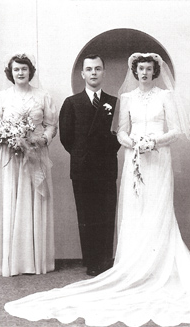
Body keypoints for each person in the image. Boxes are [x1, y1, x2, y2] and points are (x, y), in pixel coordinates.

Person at [5, 53, 190, 326]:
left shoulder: (166, 96)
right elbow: (120, 130)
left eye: (149, 69)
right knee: (137, 210)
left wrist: (154, 142)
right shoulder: (127, 97)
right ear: (134, 72)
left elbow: (177, 130)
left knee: (159, 210)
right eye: (140, 69)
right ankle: (134, 267)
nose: (144, 73)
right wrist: (134, 142)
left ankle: (162, 263)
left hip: (159, 160)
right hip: (136, 159)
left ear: (155, 71)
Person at [0, 53, 58, 277]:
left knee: (34, 199)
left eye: (24, 69)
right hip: (10, 156)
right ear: (11, 72)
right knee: (11, 200)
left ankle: (34, 261)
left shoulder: (42, 96)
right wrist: (7, 137)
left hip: (35, 154)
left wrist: (42, 139)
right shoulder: (1, 97)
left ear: (30, 71)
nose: (20, 73)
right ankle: (10, 261)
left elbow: (51, 125)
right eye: (16, 69)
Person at [59, 54, 120, 276]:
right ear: (82, 74)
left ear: (104, 72)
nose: (93, 73)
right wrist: (83, 155)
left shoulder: (114, 102)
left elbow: (118, 135)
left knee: (106, 213)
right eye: (89, 69)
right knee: (86, 216)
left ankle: (105, 259)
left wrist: (102, 154)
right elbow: (66, 138)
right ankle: (92, 261)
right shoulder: (71, 103)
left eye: (98, 68)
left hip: (105, 166)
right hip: (82, 168)